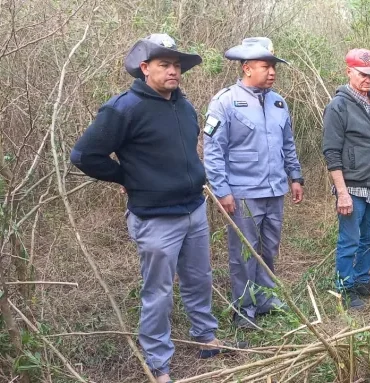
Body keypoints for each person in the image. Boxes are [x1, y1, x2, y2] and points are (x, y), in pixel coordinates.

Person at [69, 33, 244, 383]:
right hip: (155, 217)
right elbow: (85, 155)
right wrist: (128, 177)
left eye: (177, 66)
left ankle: (205, 335)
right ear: (145, 68)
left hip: (193, 208)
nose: (173, 71)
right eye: (165, 65)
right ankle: (158, 363)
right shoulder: (123, 108)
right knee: (158, 291)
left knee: (199, 277)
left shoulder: (183, 104)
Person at [203, 37, 304, 329]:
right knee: (244, 252)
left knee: (269, 248)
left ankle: (266, 299)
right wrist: (222, 191)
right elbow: (213, 151)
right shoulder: (225, 101)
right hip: (243, 193)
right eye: (265, 66)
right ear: (247, 68)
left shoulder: (278, 102)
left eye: (274, 67)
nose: (272, 72)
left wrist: (295, 176)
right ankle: (243, 308)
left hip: (275, 190)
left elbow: (288, 144)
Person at [322, 48, 370, 310]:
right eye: (362, 74)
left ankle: (363, 281)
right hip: (352, 187)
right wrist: (341, 192)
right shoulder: (338, 106)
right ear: (349, 72)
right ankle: (343, 290)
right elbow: (331, 152)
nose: (368, 79)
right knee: (349, 240)